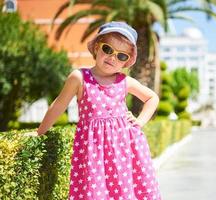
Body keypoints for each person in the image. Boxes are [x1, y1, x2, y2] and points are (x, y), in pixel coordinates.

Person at [26, 21, 161, 200]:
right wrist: (39, 132)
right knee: (94, 191)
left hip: (125, 148)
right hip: (93, 150)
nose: (113, 57)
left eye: (121, 56)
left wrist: (139, 122)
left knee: (126, 190)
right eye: (108, 49)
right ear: (97, 48)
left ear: (127, 61)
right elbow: (58, 105)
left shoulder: (124, 81)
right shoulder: (80, 78)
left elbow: (152, 98)